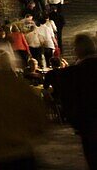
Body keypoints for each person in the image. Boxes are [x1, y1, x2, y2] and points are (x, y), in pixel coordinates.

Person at [56, 33, 97, 169]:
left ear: (76, 50)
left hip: (89, 124)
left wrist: (76, 123)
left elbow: (68, 101)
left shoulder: (72, 74)